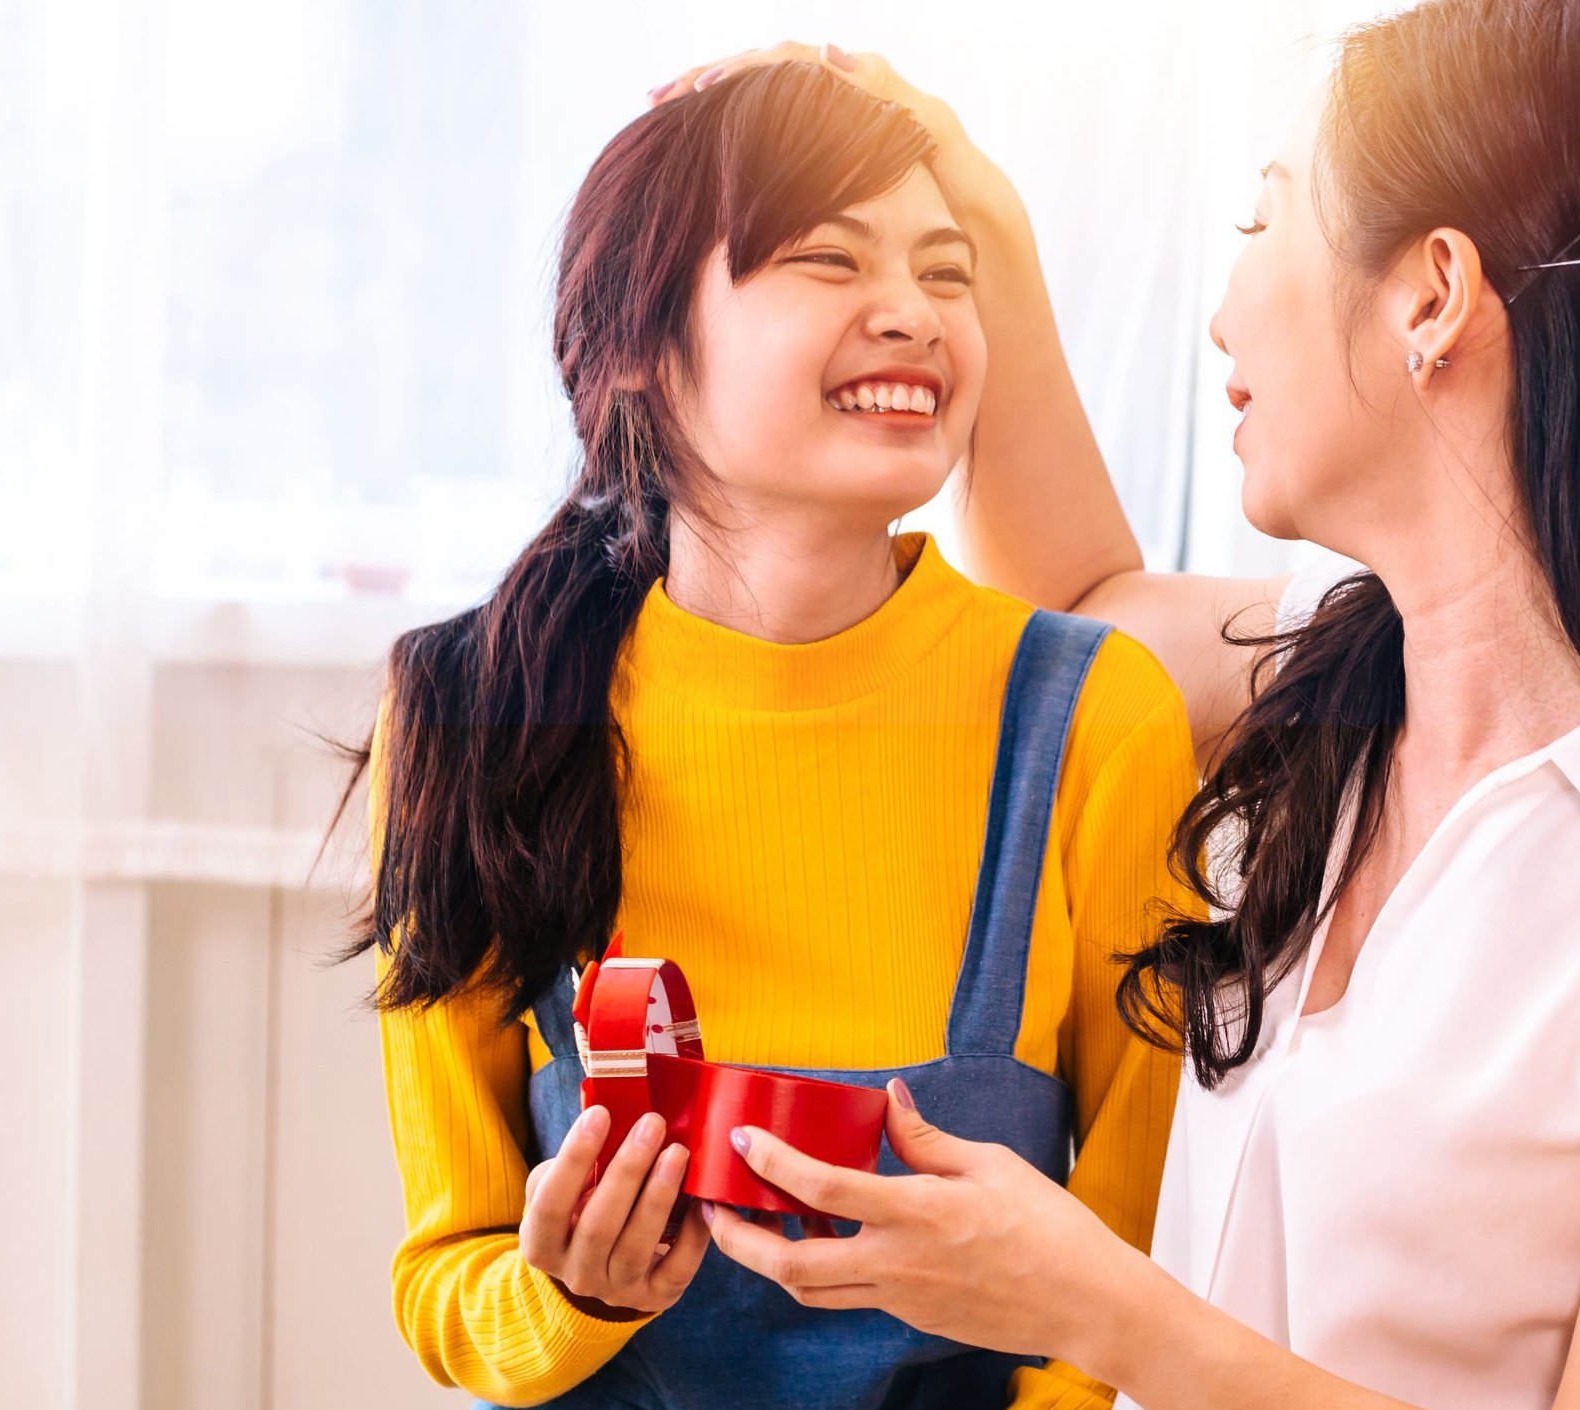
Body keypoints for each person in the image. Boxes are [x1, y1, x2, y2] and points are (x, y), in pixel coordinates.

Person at [661, 7, 1580, 1408]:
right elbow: (1082, 605)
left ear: (1432, 294)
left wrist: (1090, 1303)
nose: (1222, 307)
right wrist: (978, 230)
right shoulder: (1336, 707)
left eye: (1264, 221)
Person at [343, 63, 1195, 1410]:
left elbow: (1143, 1256)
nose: (911, 314)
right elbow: (447, 1275)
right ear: (634, 345)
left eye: (948, 269)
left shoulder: (1097, 718)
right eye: (826, 257)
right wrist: (567, 1293)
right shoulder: (469, 715)